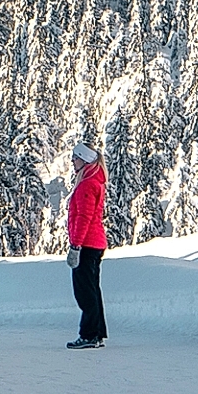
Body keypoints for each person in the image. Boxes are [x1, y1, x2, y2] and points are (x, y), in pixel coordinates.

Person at [64, 135, 109, 348]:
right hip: (95, 243)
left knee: (84, 291)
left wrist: (76, 245)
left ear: (84, 159)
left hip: (87, 244)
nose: (72, 161)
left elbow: (84, 217)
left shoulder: (86, 185)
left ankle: (89, 334)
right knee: (92, 289)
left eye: (75, 158)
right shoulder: (94, 182)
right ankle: (97, 333)